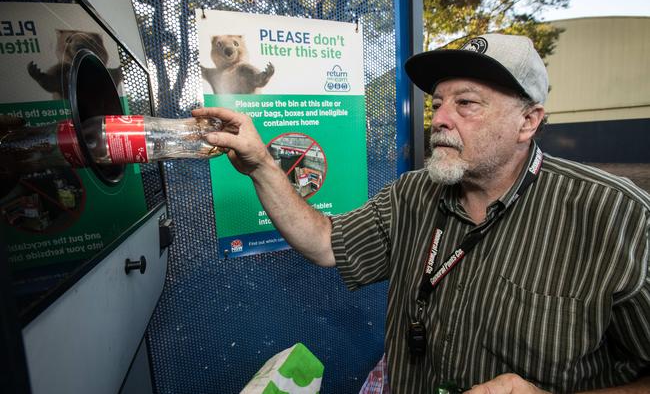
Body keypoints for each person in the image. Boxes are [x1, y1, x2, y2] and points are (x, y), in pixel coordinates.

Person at [193, 33, 650, 393]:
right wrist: (262, 166)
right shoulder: (413, 193)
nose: (441, 119)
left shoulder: (617, 214)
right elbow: (324, 242)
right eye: (437, 104)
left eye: (466, 103)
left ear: (528, 122)